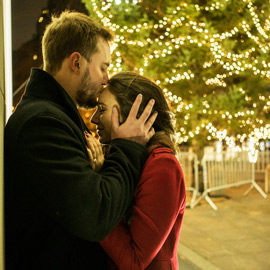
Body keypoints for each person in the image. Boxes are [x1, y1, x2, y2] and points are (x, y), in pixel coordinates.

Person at [4, 11, 157, 270]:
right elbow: (96, 215)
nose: (107, 78)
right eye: (103, 67)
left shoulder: (54, 114)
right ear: (76, 62)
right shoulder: (43, 123)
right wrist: (128, 147)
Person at [87, 71, 186, 270]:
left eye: (102, 109)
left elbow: (133, 261)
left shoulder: (162, 167)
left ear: (135, 115)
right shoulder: (118, 156)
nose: (94, 119)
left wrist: (94, 190)